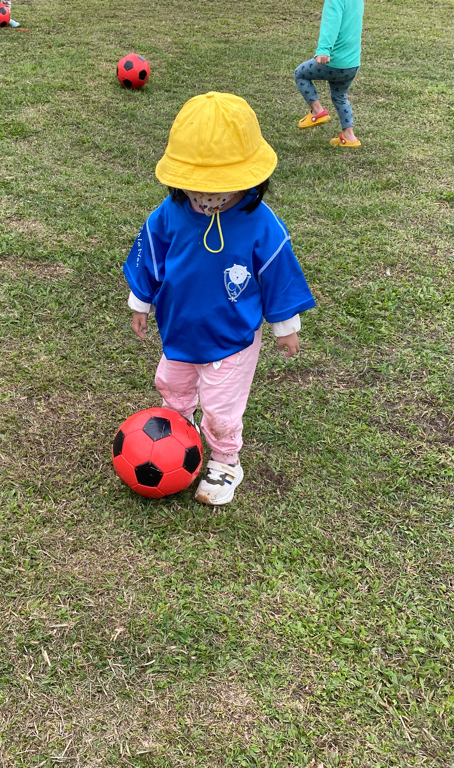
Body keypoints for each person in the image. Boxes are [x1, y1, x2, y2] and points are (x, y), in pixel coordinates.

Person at [123, 92, 316, 506]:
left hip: (232, 337)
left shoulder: (261, 224)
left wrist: (285, 326)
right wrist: (141, 301)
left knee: (221, 408)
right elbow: (150, 256)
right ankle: (179, 432)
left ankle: (226, 461)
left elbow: (279, 275)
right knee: (172, 385)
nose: (206, 197)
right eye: (196, 187)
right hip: (180, 329)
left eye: (219, 188)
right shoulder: (169, 214)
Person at [294, 0, 364, 147]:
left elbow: (331, 23)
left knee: (300, 73)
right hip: (352, 63)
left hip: (334, 62)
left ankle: (317, 111)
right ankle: (349, 136)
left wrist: (324, 49)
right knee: (340, 96)